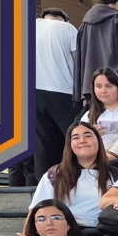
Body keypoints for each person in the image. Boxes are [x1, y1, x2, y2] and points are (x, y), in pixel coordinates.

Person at [35, 121, 111, 235]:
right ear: (69, 144)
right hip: (66, 233)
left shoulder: (116, 175)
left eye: (88, 135)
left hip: (104, 231)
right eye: (76, 137)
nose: (82, 140)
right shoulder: (54, 175)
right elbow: (35, 210)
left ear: (98, 140)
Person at [30, 11, 78, 182]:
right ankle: (74, 179)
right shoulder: (68, 29)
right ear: (64, 19)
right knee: (75, 137)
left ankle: (43, 185)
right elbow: (78, 58)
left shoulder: (31, 26)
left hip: (34, 90)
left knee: (42, 143)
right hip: (63, 90)